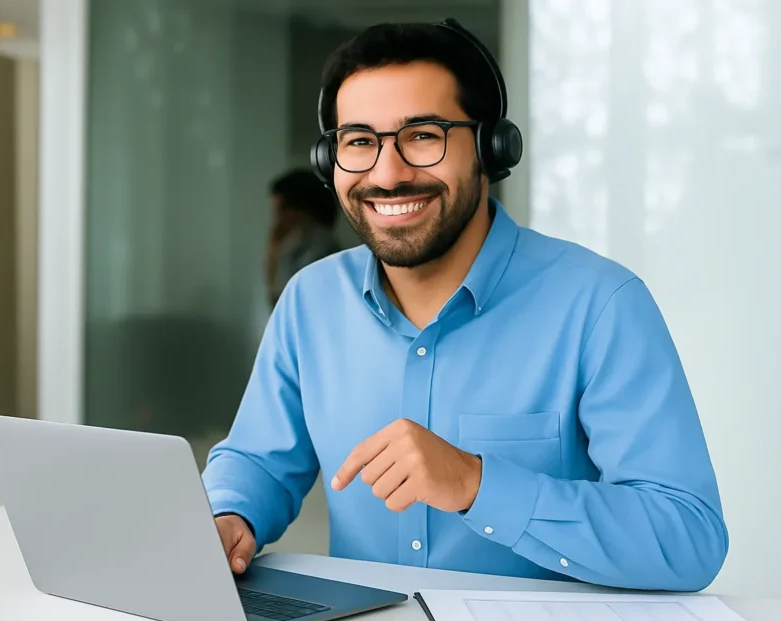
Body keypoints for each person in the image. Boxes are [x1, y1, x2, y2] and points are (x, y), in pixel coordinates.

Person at [203, 19, 728, 592]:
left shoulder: (600, 304)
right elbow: (258, 460)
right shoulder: (311, 300)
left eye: (423, 135)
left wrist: (477, 485)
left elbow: (688, 537)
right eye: (359, 141)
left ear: (490, 149)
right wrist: (231, 514)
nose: (388, 173)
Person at [265, 169, 340, 309]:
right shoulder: (294, 246)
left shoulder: (318, 251)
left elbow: (281, 306)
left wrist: (273, 250)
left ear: (299, 210)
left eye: (280, 208)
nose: (275, 217)